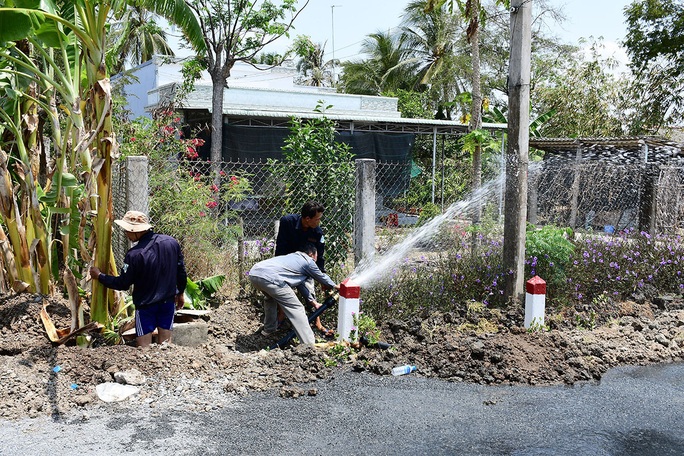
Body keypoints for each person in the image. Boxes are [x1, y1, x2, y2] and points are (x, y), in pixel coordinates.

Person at [90, 211, 187, 348]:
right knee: (166, 345)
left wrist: (100, 276)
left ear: (134, 231)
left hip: (146, 306)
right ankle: (165, 367)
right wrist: (180, 292)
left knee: (143, 348)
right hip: (168, 302)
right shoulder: (171, 243)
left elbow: (123, 283)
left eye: (126, 230)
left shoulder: (134, 255)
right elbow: (181, 272)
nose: (125, 234)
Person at [249, 243, 339, 345]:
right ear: (311, 254)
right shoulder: (308, 261)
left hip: (254, 273)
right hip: (271, 278)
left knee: (270, 299)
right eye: (316, 257)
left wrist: (314, 303)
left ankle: (268, 330)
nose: (315, 261)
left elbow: (301, 285)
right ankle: (309, 345)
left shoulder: (293, 259)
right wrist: (336, 286)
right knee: (297, 309)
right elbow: (321, 277)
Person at [274, 201, 332, 336]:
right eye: (317, 219)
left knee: (310, 291)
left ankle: (317, 322)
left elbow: (320, 256)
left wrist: (322, 277)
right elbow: (280, 246)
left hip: (305, 268)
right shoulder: (288, 222)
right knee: (282, 290)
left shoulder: (317, 233)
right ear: (307, 219)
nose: (319, 221)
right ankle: (281, 317)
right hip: (286, 264)